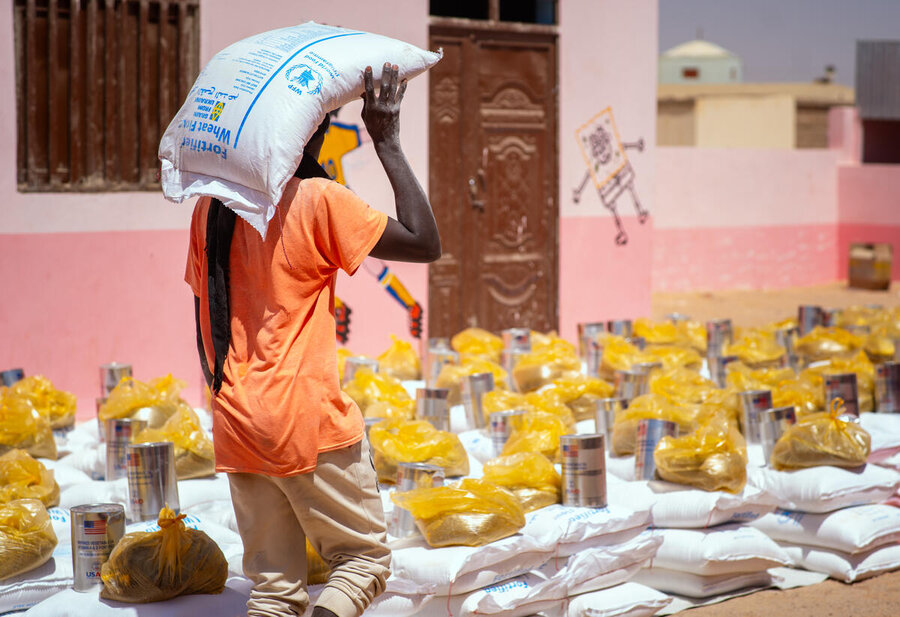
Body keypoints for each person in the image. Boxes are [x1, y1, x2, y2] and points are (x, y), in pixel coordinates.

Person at [184, 63, 441, 617]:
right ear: (310, 134)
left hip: (237, 417)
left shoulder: (209, 209)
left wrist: (226, 395)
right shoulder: (319, 200)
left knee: (274, 594)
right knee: (362, 564)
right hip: (306, 419)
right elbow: (425, 241)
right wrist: (388, 142)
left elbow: (204, 322)